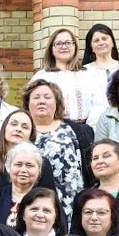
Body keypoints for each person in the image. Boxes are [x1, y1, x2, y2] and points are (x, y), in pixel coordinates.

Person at [23, 78, 86, 223]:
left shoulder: (74, 129)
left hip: (69, 200)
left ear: (56, 103)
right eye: (36, 97)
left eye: (47, 97)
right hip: (33, 199)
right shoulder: (22, 129)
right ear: (28, 103)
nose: (41, 101)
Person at [30, 28, 101, 125]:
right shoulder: (41, 76)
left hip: (83, 130)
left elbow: (98, 106)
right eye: (58, 43)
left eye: (68, 42)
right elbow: (31, 105)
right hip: (51, 130)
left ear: (74, 46)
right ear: (51, 48)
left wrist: (89, 130)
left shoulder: (87, 75)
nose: (64, 47)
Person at [0, 141, 58, 227]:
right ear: (8, 168)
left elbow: (59, 231)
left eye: (29, 165)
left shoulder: (49, 200)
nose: (23, 170)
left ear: (39, 170)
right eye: (18, 164)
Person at [81, 23, 119, 125]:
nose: (101, 42)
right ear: (91, 47)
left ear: (112, 42)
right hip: (95, 125)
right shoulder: (84, 71)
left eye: (104, 38)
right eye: (96, 40)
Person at [0, 109, 40, 190]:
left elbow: (49, 199)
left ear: (31, 135)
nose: (18, 129)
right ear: (4, 129)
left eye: (25, 127)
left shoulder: (42, 165)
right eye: (14, 124)